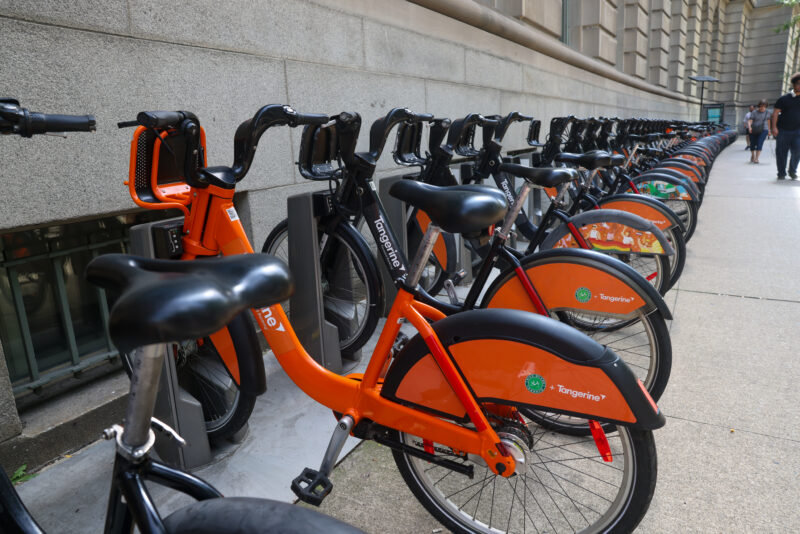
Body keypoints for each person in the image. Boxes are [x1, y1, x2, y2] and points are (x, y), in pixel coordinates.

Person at [771, 72, 800, 180]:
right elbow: (775, 114)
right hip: (783, 130)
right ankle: (781, 173)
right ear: (793, 84)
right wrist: (774, 127)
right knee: (781, 153)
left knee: (798, 151)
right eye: (798, 83)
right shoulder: (784, 99)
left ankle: (792, 171)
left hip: (798, 131)